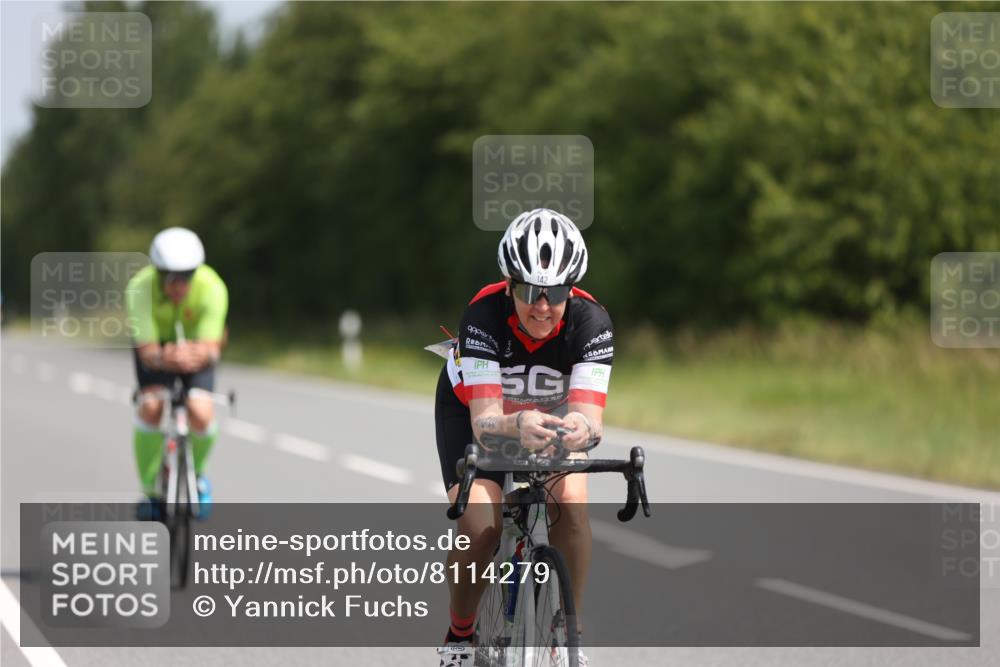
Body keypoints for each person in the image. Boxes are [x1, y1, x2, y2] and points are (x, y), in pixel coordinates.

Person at [435, 209, 613, 666]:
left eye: (555, 292)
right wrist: (517, 424)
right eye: (530, 290)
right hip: (476, 410)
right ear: (509, 283)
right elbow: (486, 422)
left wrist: (578, 429)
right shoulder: (482, 315)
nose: (541, 305)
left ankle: (567, 634)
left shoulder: (592, 323)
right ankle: (459, 636)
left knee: (571, 508)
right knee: (480, 526)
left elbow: (590, 421)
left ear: (570, 290)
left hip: (549, 418)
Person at [125, 227, 228, 518]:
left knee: (201, 412)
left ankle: (198, 476)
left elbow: (213, 346)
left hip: (197, 352)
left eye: (186, 275)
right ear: (156, 272)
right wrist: (163, 356)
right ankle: (150, 491)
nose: (178, 284)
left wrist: (201, 353)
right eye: (169, 275)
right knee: (152, 406)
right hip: (157, 351)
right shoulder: (139, 288)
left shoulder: (213, 288)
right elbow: (145, 349)